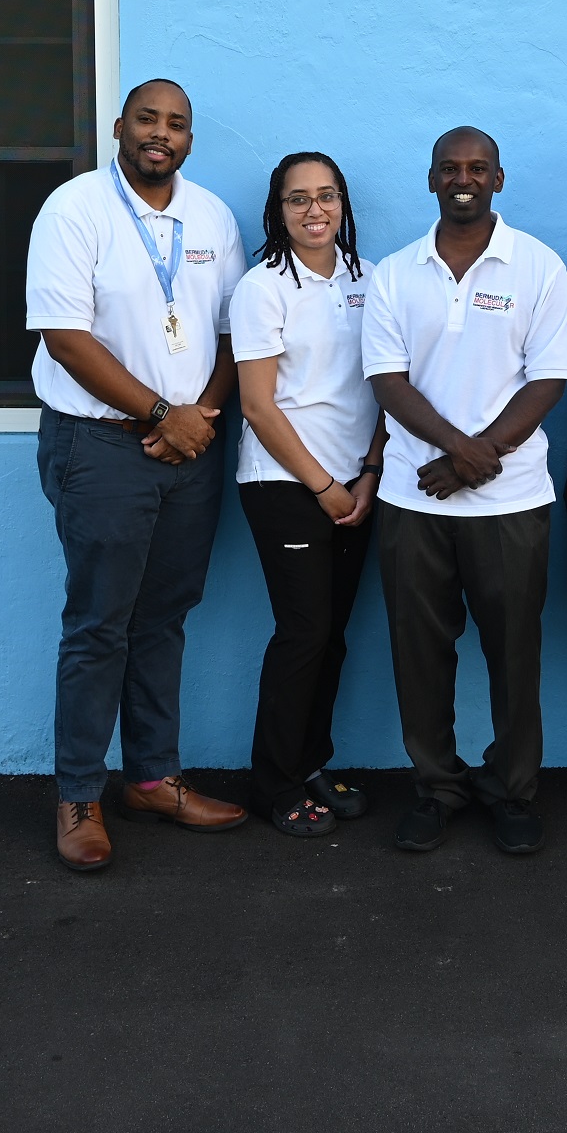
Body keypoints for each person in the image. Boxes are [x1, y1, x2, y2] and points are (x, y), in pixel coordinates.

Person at [23, 78, 250, 872]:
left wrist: (200, 422)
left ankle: (152, 777)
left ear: (190, 139)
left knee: (164, 618)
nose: (161, 133)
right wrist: (163, 415)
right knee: (99, 624)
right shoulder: (76, 208)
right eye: (148, 119)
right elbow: (65, 338)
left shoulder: (213, 217)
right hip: (101, 446)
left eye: (177, 124)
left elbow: (234, 335)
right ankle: (78, 795)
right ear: (119, 126)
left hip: (193, 446)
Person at [362, 127, 567, 856]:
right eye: (451, 168)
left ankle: (512, 791)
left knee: (515, 656)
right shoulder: (394, 273)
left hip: (511, 504)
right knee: (419, 654)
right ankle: (437, 787)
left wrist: (476, 463)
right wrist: (461, 452)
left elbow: (550, 376)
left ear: (499, 179)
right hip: (412, 500)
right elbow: (387, 380)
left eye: (478, 168)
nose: (464, 178)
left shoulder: (539, 267)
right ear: (430, 180)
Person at [230, 151, 389, 836]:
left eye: (326, 196)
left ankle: (311, 762)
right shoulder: (262, 287)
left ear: (343, 204)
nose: (314, 210)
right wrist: (324, 486)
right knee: (303, 635)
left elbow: (389, 383)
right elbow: (259, 407)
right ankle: (275, 783)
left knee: (333, 639)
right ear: (279, 210)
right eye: (298, 199)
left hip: (357, 486)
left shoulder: (369, 278)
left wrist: (371, 474)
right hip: (287, 487)